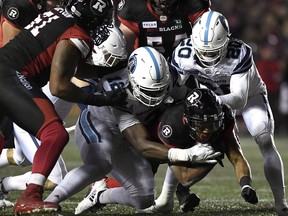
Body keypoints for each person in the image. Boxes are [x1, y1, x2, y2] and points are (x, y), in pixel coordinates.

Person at [44, 46, 221, 215]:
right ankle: (49, 203)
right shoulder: (118, 90)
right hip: (98, 124)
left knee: (144, 197)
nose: (155, 97)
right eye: (148, 92)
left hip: (127, 133)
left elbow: (186, 97)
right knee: (100, 165)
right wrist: (188, 155)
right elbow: (141, 144)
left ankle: (99, 196)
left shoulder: (170, 78)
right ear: (132, 79)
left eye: (159, 90)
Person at [0, 0, 129, 214]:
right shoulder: (77, 32)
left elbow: (68, 62)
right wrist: (103, 99)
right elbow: (59, 87)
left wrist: (100, 73)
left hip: (6, 70)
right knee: (55, 133)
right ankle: (30, 196)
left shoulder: (60, 16)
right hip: (10, 76)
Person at [170, 10, 288, 216]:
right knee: (183, 138)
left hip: (249, 99)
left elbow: (239, 98)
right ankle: (168, 196)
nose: (207, 57)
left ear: (226, 41)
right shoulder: (184, 54)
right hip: (210, 102)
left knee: (265, 140)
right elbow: (174, 89)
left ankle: (281, 202)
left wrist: (205, 101)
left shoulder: (239, 52)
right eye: (203, 52)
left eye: (213, 51)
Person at [138, 88, 259, 213]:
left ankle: (178, 194)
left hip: (184, 140)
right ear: (187, 119)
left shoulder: (224, 117)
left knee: (217, 146)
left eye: (212, 124)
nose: (207, 130)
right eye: (201, 125)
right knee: (139, 196)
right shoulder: (172, 124)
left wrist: (246, 185)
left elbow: (237, 158)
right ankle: (176, 194)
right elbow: (184, 177)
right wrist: (200, 155)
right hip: (151, 147)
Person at [117, 0, 211, 58]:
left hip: (187, 64)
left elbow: (209, 34)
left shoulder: (193, 3)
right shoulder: (134, 6)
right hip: (147, 67)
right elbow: (124, 45)